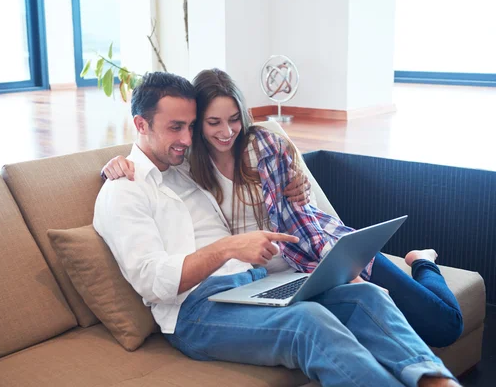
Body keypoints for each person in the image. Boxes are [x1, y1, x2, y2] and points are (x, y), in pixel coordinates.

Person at [94, 71, 460, 387]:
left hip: (253, 287)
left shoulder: (184, 166)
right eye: (176, 127)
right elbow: (150, 281)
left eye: (191, 126)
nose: (188, 139)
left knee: (368, 297)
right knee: (308, 322)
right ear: (140, 124)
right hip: (196, 313)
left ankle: (436, 379)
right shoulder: (124, 189)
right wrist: (229, 248)